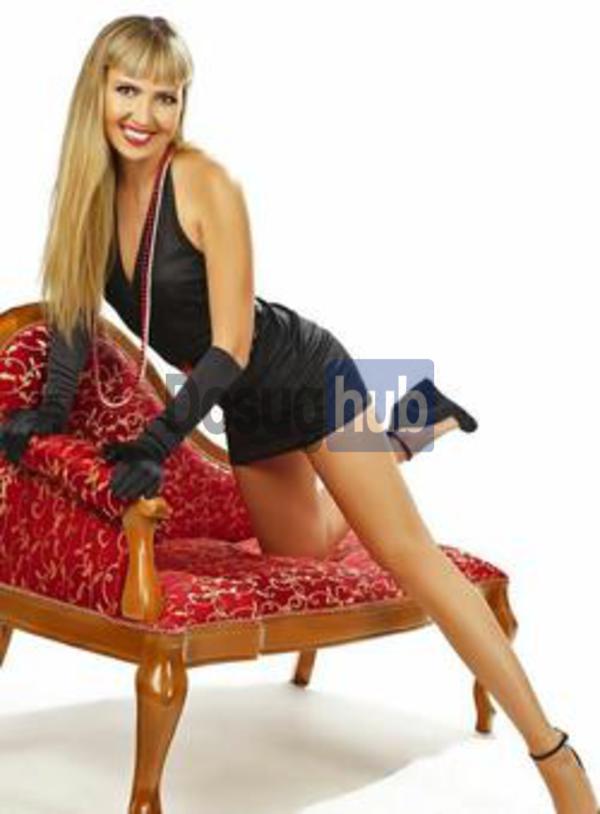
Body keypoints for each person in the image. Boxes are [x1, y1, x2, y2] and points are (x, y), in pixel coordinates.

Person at [0, 15, 597, 813]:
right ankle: (409, 427)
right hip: (245, 407)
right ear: (97, 92)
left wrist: (157, 440)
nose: (144, 114)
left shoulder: (205, 183)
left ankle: (554, 753)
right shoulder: (88, 192)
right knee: (302, 548)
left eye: (165, 97)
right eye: (128, 91)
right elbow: (75, 312)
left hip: (300, 377)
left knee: (410, 557)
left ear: (184, 105)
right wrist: (44, 414)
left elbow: (232, 346)